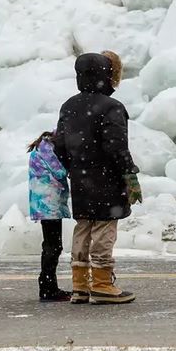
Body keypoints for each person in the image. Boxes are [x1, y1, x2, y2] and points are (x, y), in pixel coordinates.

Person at [53, 51, 138, 305]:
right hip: (107, 178)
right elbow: (116, 147)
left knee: (83, 227)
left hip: (80, 178)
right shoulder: (112, 107)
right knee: (104, 227)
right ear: (106, 75)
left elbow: (59, 145)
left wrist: (74, 167)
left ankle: (80, 286)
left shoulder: (68, 106)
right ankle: (101, 283)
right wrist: (129, 174)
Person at [27, 131, 71, 302]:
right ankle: (47, 287)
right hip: (48, 202)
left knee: (51, 245)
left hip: (43, 201)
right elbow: (60, 172)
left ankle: (48, 285)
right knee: (53, 246)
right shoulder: (48, 151)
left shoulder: (41, 148)